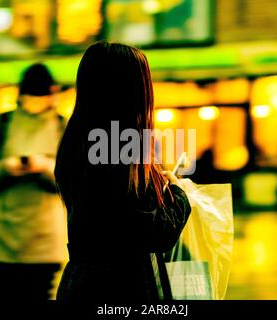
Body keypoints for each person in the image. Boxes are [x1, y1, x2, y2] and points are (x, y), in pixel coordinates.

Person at [54, 41, 191, 301]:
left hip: (84, 283)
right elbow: (152, 232)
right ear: (131, 92)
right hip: (118, 288)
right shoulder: (113, 152)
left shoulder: (78, 141)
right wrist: (178, 194)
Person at [0, 63, 67, 300]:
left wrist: (45, 167)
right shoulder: (1, 124)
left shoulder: (63, 127)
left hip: (44, 246)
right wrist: (6, 167)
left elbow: (73, 183)